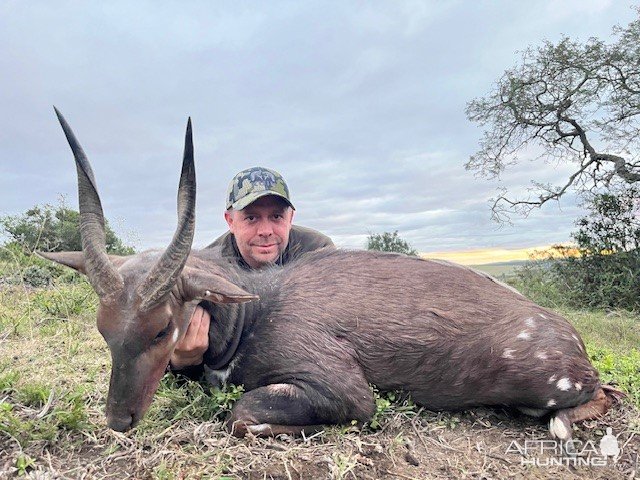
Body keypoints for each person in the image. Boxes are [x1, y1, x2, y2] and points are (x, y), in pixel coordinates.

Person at [169, 166, 334, 376]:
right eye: (251, 218)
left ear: (290, 218)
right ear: (230, 221)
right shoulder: (206, 274)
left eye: (276, 217)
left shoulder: (318, 251)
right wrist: (182, 361)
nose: (265, 231)